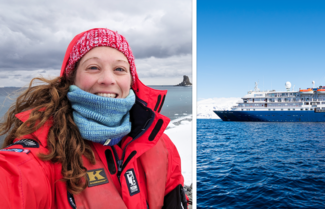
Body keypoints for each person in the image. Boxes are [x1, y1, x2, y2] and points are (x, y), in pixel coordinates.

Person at [0, 28, 188, 209]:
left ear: (131, 80)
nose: (108, 79)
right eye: (93, 67)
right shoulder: (41, 152)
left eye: (120, 69)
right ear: (71, 78)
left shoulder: (160, 144)